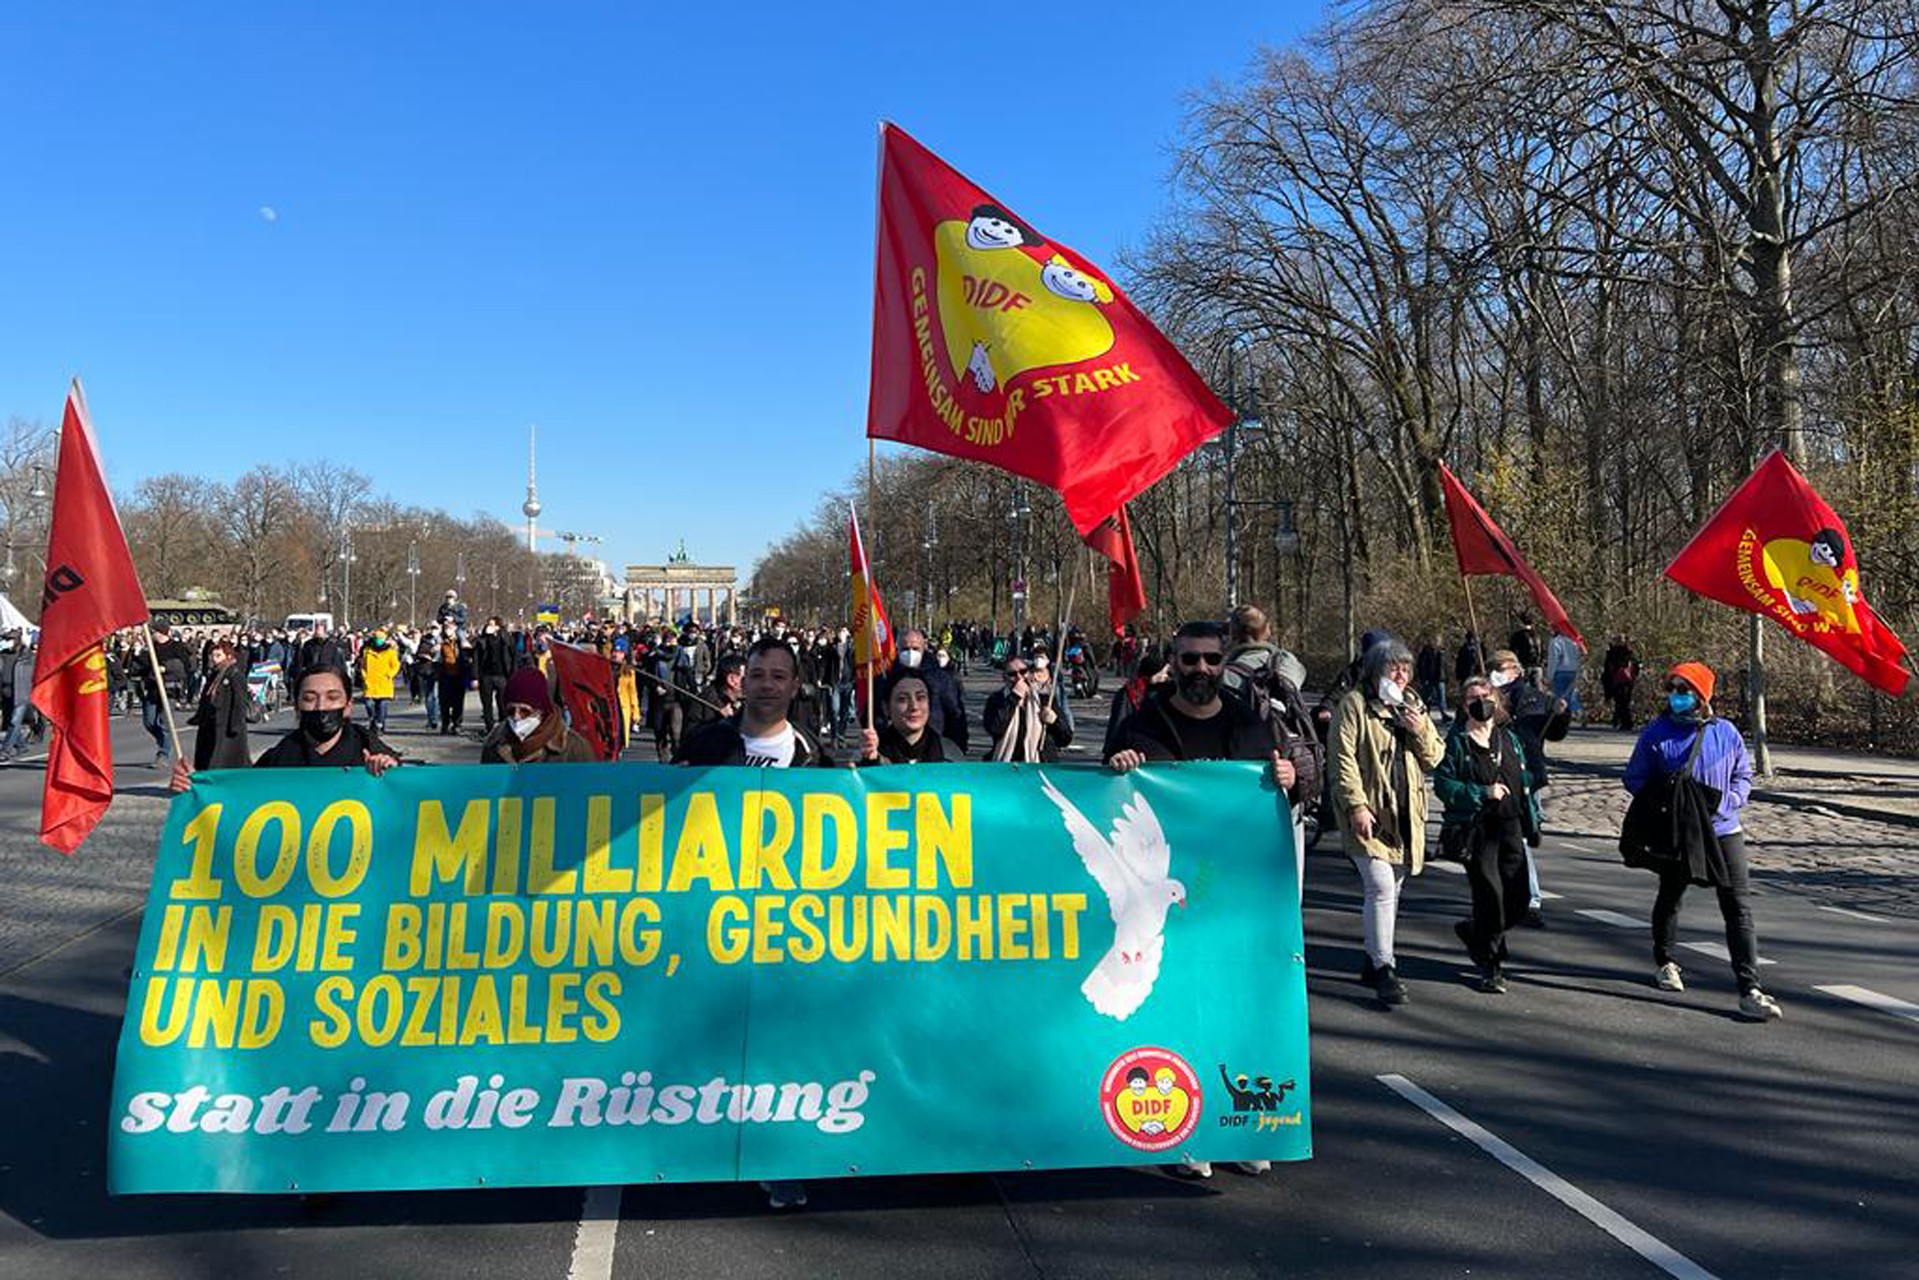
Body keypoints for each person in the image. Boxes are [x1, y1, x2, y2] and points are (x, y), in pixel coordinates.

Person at [1107, 619, 1296, 1179]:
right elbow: (1108, 796)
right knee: (1180, 1007)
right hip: (1169, 901)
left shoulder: (1250, 724)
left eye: (1212, 660)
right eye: (1190, 660)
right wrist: (1119, 770)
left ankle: (1240, 1125)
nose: (1201, 671)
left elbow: (1292, 788)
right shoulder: (1146, 723)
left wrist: (1291, 774)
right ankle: (1189, 1133)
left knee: (1237, 1006)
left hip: (1237, 896)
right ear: (1175, 661)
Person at [1624, 662, 1781, 1021]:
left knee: (1738, 907)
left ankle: (1750, 987)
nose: (1676, 696)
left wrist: (1730, 801)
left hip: (1724, 831)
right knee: (1671, 896)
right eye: (1673, 689)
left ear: (1702, 695)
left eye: (1684, 689)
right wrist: (1667, 801)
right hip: (1681, 833)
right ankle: (1665, 960)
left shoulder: (1725, 733)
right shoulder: (1656, 734)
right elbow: (1634, 778)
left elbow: (1743, 775)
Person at [1329, 639, 1444, 1007]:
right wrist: (1356, 805)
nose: (1400, 675)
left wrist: (1421, 728)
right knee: (1379, 884)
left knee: (1393, 887)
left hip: (1405, 812)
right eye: (1393, 668)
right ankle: (1384, 967)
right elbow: (1342, 758)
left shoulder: (1412, 705)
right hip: (1370, 811)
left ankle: (1372, 954)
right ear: (1375, 670)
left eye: (1406, 669)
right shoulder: (1355, 705)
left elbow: (1434, 758)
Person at [1435, 675, 1542, 993]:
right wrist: (1482, 792)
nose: (1480, 701)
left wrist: (1531, 820)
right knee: (1489, 898)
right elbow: (1444, 785)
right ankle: (1490, 965)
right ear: (1463, 705)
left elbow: (1526, 780)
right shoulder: (1456, 742)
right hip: (1476, 830)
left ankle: (1475, 932)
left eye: (1484, 695)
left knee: (1519, 900)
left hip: (1510, 827)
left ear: (1495, 699)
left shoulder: (1509, 738)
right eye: (1472, 698)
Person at [172, 663, 398, 790]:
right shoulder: (278, 759)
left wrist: (392, 775)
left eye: (332, 697)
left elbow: (409, 802)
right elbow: (240, 799)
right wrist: (196, 789)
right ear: (298, 706)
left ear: (348, 705)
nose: (321, 706)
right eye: (310, 698)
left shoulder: (370, 749)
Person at [675, 637, 834, 769]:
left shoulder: (815, 755)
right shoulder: (701, 745)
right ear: (743, 684)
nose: (767, 685)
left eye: (778, 676)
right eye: (757, 675)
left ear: (794, 687)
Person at [1488, 648, 1558, 928]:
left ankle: (1531, 898)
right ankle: (1506, 894)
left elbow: (1547, 730)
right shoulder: (1487, 695)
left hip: (1526, 776)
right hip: (1494, 776)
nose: (1496, 672)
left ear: (1515, 671)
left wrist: (1559, 713)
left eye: (1501, 668)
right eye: (1493, 667)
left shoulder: (1529, 696)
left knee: (1522, 838)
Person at [481, 667, 596, 764]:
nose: (516, 717)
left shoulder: (574, 748)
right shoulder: (494, 743)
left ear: (542, 711)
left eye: (525, 711)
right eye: (511, 711)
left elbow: (589, 787)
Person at [880, 628, 968, 752]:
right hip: (894, 749)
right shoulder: (886, 678)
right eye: (905, 649)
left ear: (924, 648)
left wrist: (958, 748)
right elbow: (878, 713)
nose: (910, 653)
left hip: (934, 747)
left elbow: (955, 714)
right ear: (897, 648)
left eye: (915, 649)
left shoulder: (941, 678)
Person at [858, 670, 965, 764]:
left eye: (920, 698)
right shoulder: (869, 753)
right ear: (887, 707)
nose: (914, 707)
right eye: (902, 699)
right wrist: (869, 763)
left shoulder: (950, 754)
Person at [983, 656, 1072, 762]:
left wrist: (1055, 721)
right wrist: (1014, 698)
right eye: (1012, 674)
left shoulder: (1044, 698)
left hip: (1039, 764)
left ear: (1029, 673)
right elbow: (995, 728)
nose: (1019, 677)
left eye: (1023, 672)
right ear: (1005, 678)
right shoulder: (997, 700)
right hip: (1007, 764)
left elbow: (1065, 739)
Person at [188, 635, 251, 771]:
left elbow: (240, 702)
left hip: (227, 723)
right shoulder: (214, 674)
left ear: (227, 656)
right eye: (212, 655)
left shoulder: (234, 674)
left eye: (218, 655)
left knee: (227, 758)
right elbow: (206, 698)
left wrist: (236, 725)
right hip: (211, 721)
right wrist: (200, 716)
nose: (214, 659)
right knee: (207, 754)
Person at [142, 621, 195, 765]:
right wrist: (138, 657)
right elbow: (143, 667)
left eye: (154, 632)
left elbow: (186, 667)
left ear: (161, 633)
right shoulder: (151, 648)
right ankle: (163, 740)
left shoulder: (177, 647)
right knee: (149, 722)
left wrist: (166, 668)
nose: (152, 634)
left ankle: (163, 753)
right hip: (153, 689)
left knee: (165, 723)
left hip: (169, 689)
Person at [1102, 650, 1169, 759]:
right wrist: (1112, 752)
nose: (1166, 676)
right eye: (1163, 673)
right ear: (1153, 672)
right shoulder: (1128, 692)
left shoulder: (1164, 692)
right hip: (1128, 752)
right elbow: (1118, 723)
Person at [357, 627, 401, 738]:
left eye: (381, 638)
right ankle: (373, 720)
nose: (378, 640)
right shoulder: (368, 651)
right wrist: (364, 676)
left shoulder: (390, 651)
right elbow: (363, 666)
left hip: (384, 682)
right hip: (370, 682)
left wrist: (390, 675)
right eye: (377, 638)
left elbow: (396, 665)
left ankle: (380, 724)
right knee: (369, 704)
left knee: (382, 705)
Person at [474, 617, 514, 734]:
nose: (488, 627)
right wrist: (475, 677)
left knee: (503, 702)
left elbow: (514, 656)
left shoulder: (506, 639)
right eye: (488, 624)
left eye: (491, 624)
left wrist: (512, 674)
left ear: (498, 626)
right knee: (486, 704)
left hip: (502, 676)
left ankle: (503, 727)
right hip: (486, 675)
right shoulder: (482, 640)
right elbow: (476, 659)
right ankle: (489, 728)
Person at [1602, 635, 1640, 731]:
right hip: (1627, 681)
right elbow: (1636, 667)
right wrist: (1633, 677)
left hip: (1616, 680)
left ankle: (1623, 722)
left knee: (1619, 702)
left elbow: (1607, 668)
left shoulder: (1612, 653)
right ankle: (1623, 721)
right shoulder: (1630, 652)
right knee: (1624, 701)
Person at [1547, 630, 1585, 719]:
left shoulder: (1555, 642)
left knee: (1560, 695)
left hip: (1559, 671)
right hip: (1572, 670)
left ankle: (1562, 714)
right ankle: (1577, 712)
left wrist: (1550, 675)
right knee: (1571, 694)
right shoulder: (1573, 642)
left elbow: (1553, 660)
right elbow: (1578, 656)